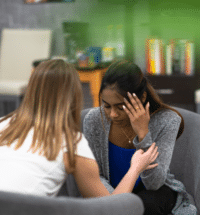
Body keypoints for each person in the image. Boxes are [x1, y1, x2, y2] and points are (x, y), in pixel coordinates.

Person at [83, 60, 197, 215]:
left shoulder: (167, 120)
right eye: (107, 106)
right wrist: (113, 198)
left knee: (145, 201)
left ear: (140, 97)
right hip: (115, 188)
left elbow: (155, 181)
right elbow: (95, 174)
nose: (113, 114)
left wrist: (143, 134)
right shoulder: (94, 120)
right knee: (112, 204)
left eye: (121, 107)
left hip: (158, 189)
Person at [0, 59, 159, 200]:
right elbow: (109, 208)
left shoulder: (2, 123)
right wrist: (136, 168)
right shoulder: (71, 142)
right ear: (74, 97)